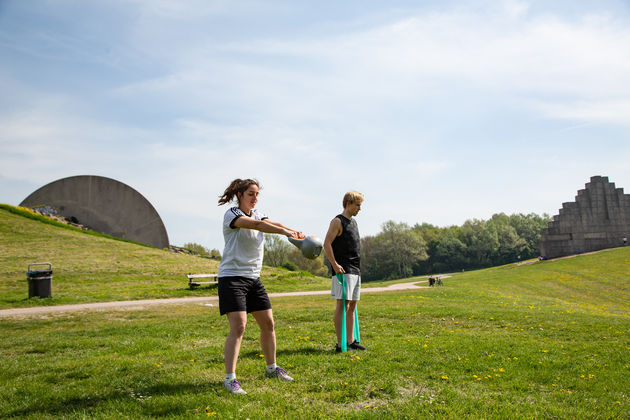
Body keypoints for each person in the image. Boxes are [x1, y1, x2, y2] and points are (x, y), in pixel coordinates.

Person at [217, 178, 305, 395]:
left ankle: (272, 368)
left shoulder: (257, 214)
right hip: (232, 278)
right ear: (240, 195)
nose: (255, 198)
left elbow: (274, 223)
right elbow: (258, 226)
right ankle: (230, 379)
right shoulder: (233, 215)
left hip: (253, 279)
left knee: (268, 324)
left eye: (257, 194)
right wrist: (285, 234)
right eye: (250, 194)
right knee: (238, 327)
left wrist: (294, 232)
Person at [323, 191, 367, 352]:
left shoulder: (354, 223)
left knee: (353, 305)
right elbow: (326, 244)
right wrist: (334, 264)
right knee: (342, 304)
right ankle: (340, 343)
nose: (360, 209)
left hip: (355, 269)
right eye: (358, 205)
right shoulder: (337, 221)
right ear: (348, 203)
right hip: (343, 269)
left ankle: (351, 341)